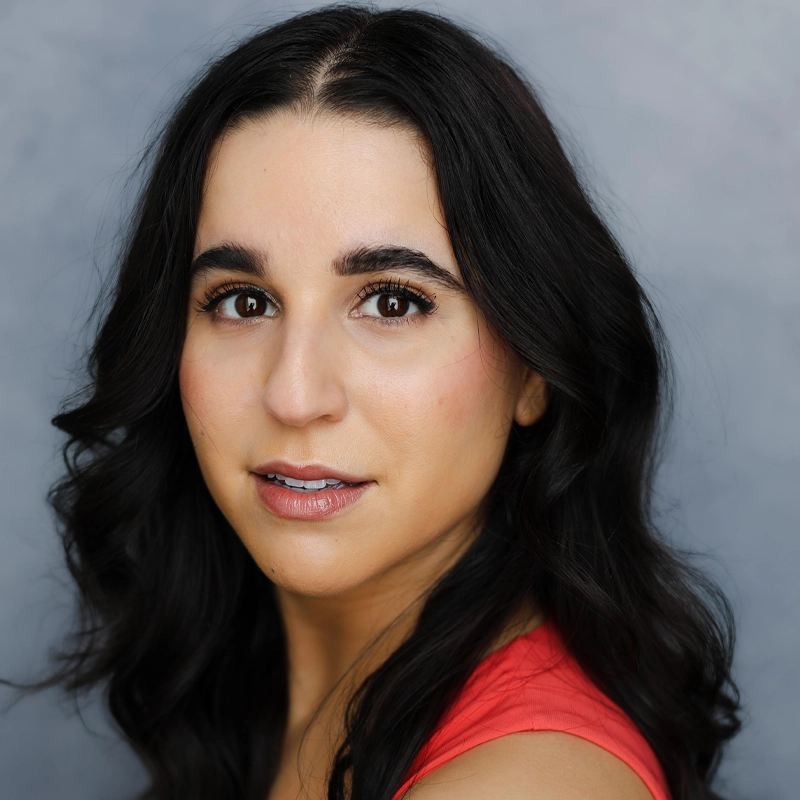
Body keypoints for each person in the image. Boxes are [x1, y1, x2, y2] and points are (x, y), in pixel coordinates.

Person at [34, 5, 741, 799]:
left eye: (393, 303)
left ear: (536, 371)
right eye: (242, 302)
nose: (295, 394)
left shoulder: (526, 782)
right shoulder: (244, 694)